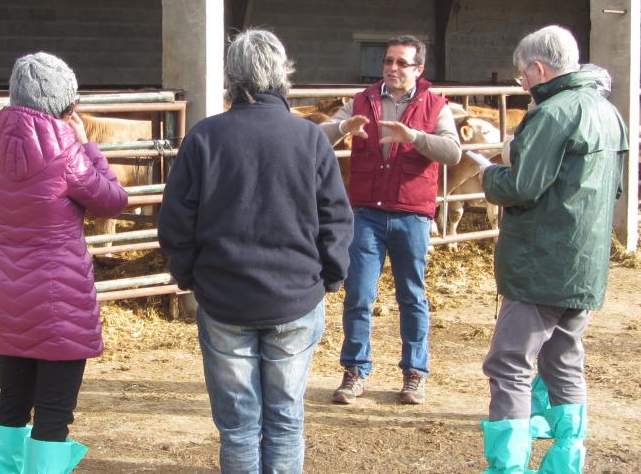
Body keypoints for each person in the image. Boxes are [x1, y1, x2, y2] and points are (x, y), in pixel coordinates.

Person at [159, 29, 353, 473]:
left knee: (239, 425)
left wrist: (190, 275)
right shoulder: (310, 139)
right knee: (285, 420)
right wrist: (331, 275)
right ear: (283, 74)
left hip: (225, 297)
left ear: (232, 78)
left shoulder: (205, 138)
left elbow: (175, 221)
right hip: (295, 296)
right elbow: (337, 218)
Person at [477, 25, 628, 473]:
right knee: (564, 361)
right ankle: (566, 462)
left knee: (509, 364)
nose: (521, 83)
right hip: (584, 264)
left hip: (540, 264)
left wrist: (487, 173)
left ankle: (508, 466)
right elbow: (616, 189)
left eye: (522, 74)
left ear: (539, 68)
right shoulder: (606, 111)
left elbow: (522, 185)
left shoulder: (552, 113)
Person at [0, 52, 128, 474]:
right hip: (60, 300)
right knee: (54, 413)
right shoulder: (68, 154)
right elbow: (113, 200)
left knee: (11, 402)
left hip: (8, 294)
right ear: (67, 107)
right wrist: (89, 147)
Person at [320, 35, 462, 405]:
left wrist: (414, 136)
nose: (393, 68)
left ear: (418, 69)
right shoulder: (361, 101)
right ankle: (354, 371)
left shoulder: (436, 105)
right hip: (366, 211)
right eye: (388, 61)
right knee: (359, 294)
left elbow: (452, 151)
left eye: (402, 63)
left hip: (411, 214)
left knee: (412, 295)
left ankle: (414, 373)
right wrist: (342, 128)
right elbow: (318, 138)